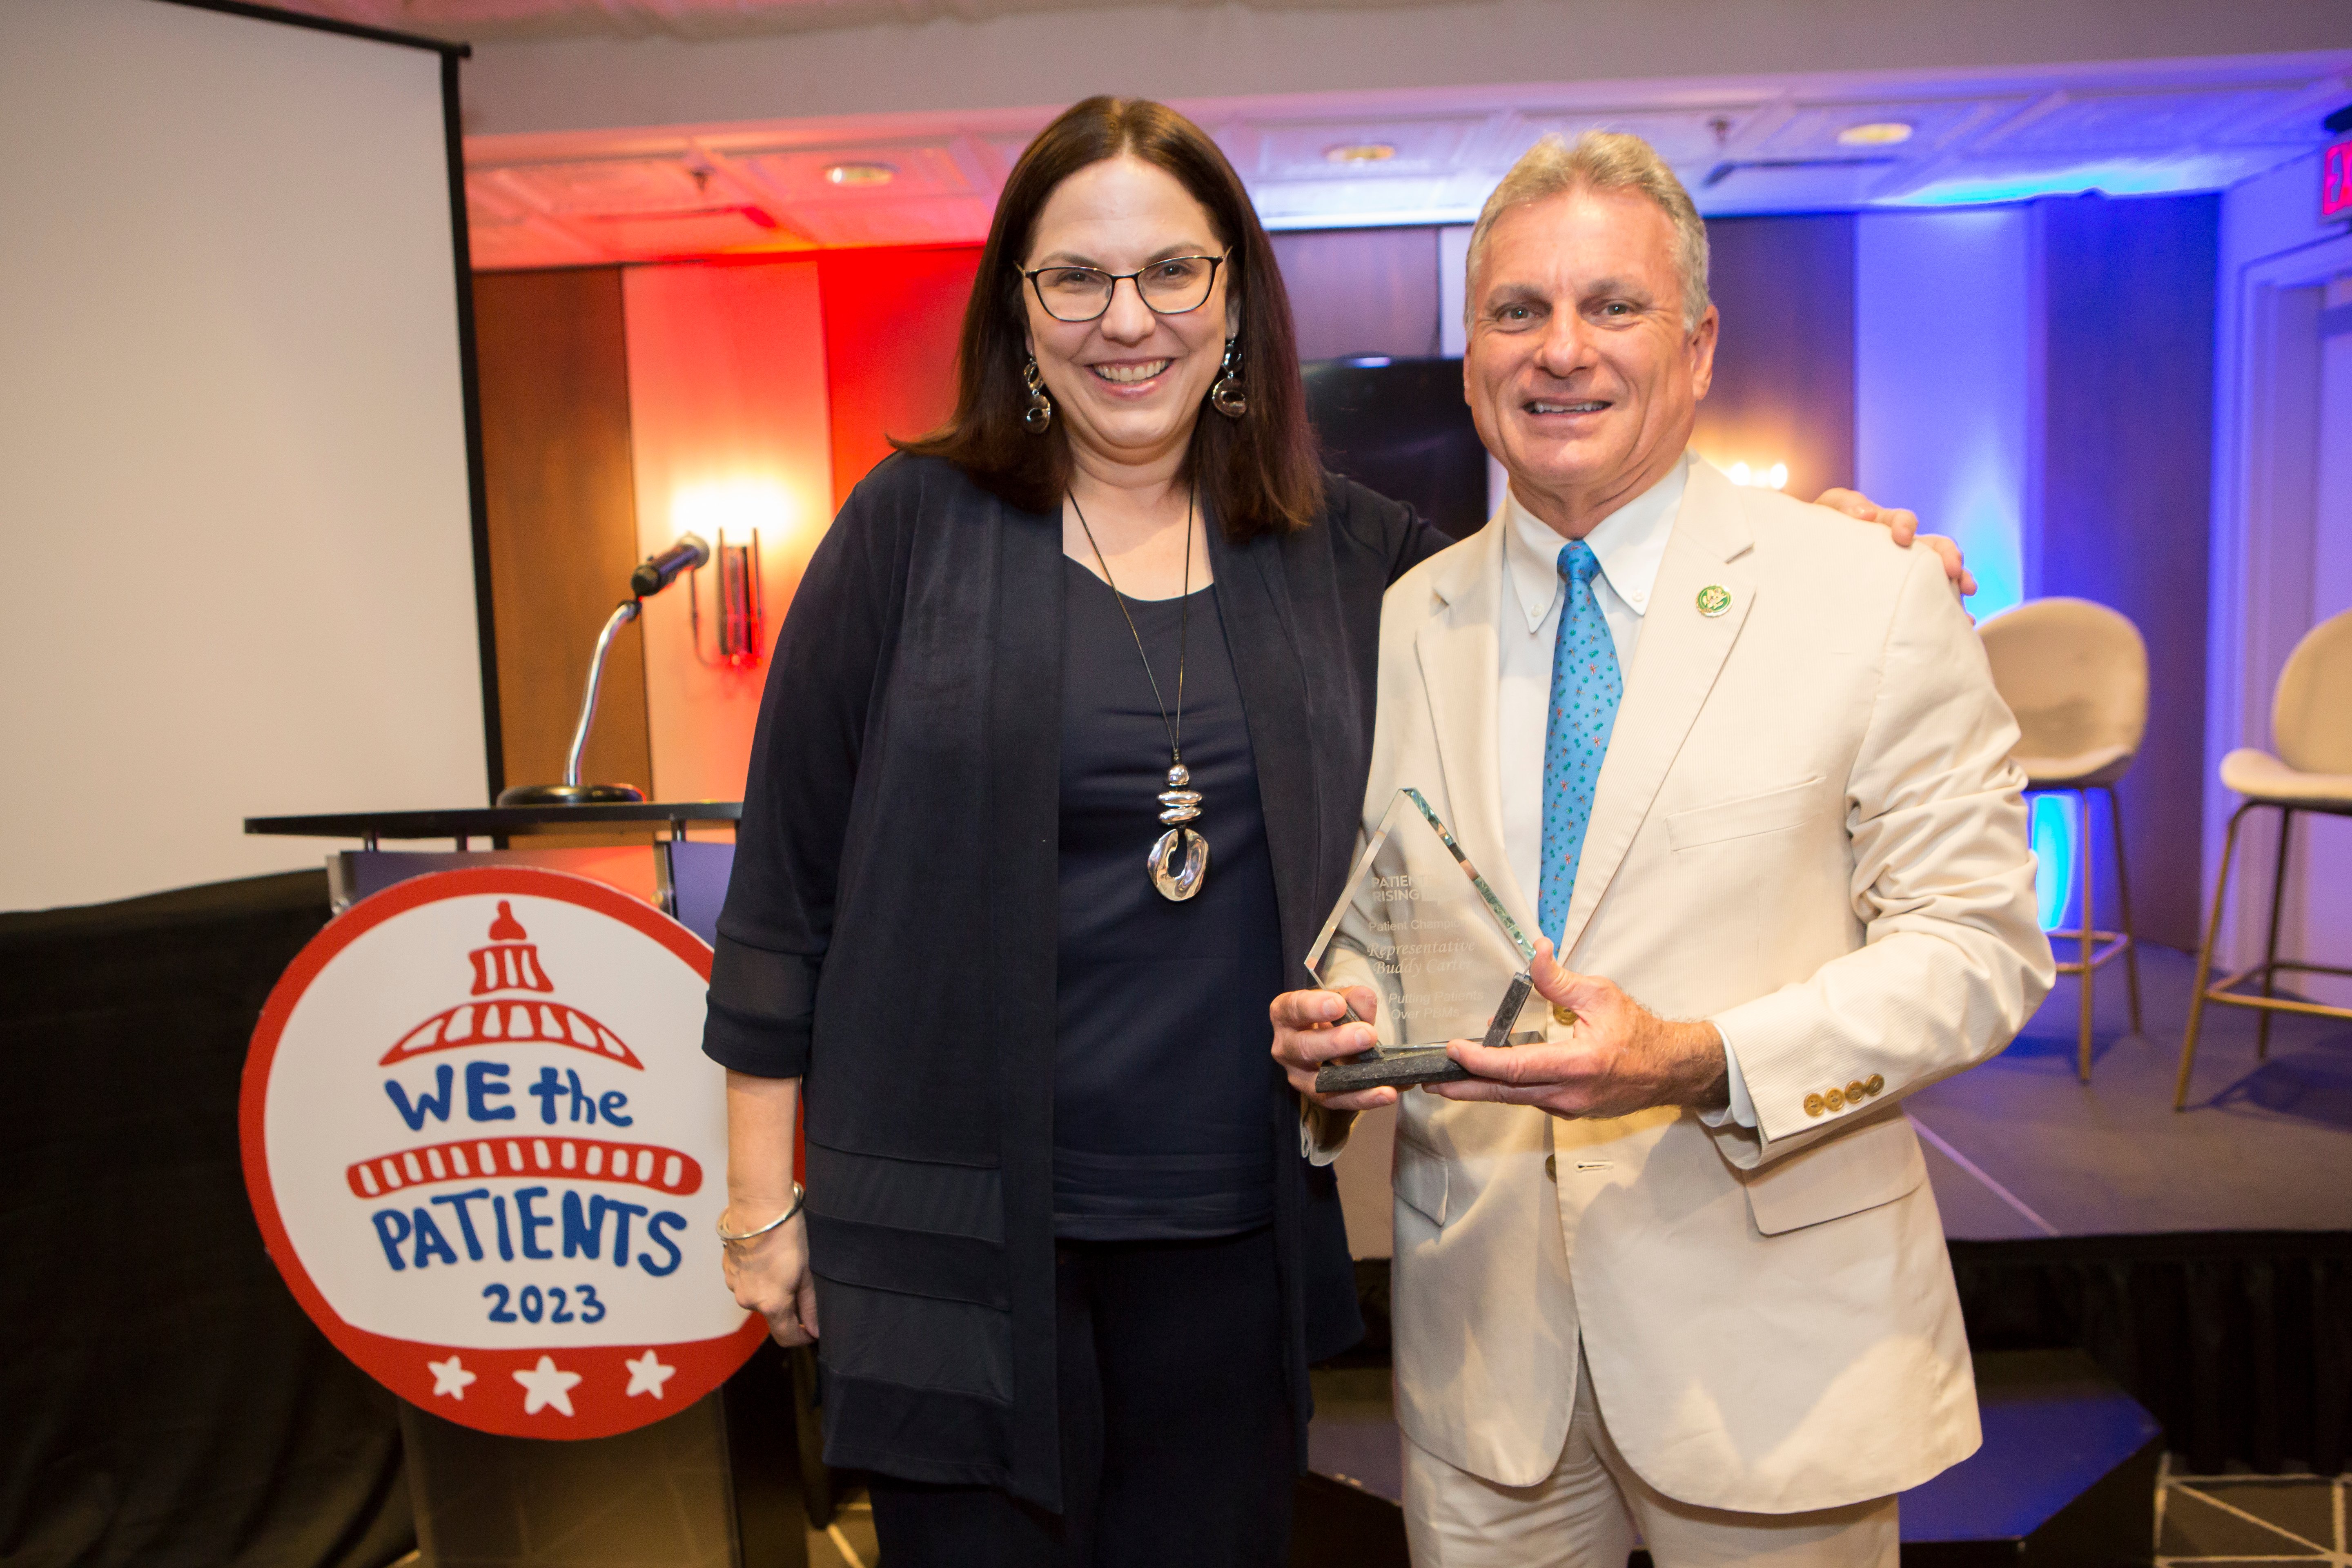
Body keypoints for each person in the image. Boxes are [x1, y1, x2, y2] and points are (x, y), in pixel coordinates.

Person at [705, 98, 1957, 1566]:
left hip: (1230, 1236)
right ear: (1020, 307)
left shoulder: (1347, 553)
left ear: (1234, 297)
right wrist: (755, 1204)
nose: (1130, 320)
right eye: (1078, 279)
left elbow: (1577, 598)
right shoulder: (907, 533)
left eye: (1175, 273)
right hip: (956, 1236)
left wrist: (1811, 543)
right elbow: (784, 896)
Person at [1272, 131, 2054, 1567]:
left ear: (1696, 347)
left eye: (1611, 308)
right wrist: (1349, 1035)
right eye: (1517, 312)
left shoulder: (1863, 595)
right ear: (1469, 360)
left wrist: (1698, 1055)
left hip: (1771, 1360)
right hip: (1486, 1362)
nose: (1560, 352)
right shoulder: (1412, 617)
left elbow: (1979, 953)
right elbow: (1406, 920)